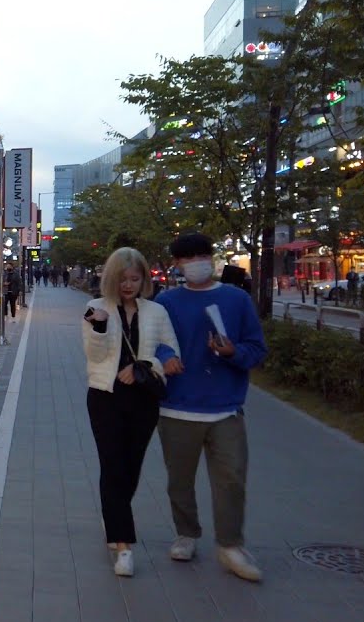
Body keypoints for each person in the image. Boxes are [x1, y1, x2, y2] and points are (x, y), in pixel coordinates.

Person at [155, 232, 268, 582]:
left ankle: (231, 543)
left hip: (226, 407)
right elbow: (152, 342)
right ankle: (187, 533)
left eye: (201, 255)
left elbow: (256, 348)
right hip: (177, 406)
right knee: (180, 480)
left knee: (232, 478)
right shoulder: (167, 302)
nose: (195, 264)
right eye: (186, 258)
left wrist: (233, 352)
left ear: (212, 257)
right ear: (176, 264)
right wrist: (166, 357)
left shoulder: (236, 300)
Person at [82, 247, 180, 577]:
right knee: (112, 465)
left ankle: (113, 514)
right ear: (111, 279)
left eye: (135, 279)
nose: (128, 285)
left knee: (131, 467)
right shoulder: (95, 308)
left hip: (143, 398)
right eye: (122, 279)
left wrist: (142, 367)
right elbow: (94, 356)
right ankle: (123, 545)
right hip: (104, 397)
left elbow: (169, 352)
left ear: (144, 280)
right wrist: (98, 328)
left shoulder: (156, 312)